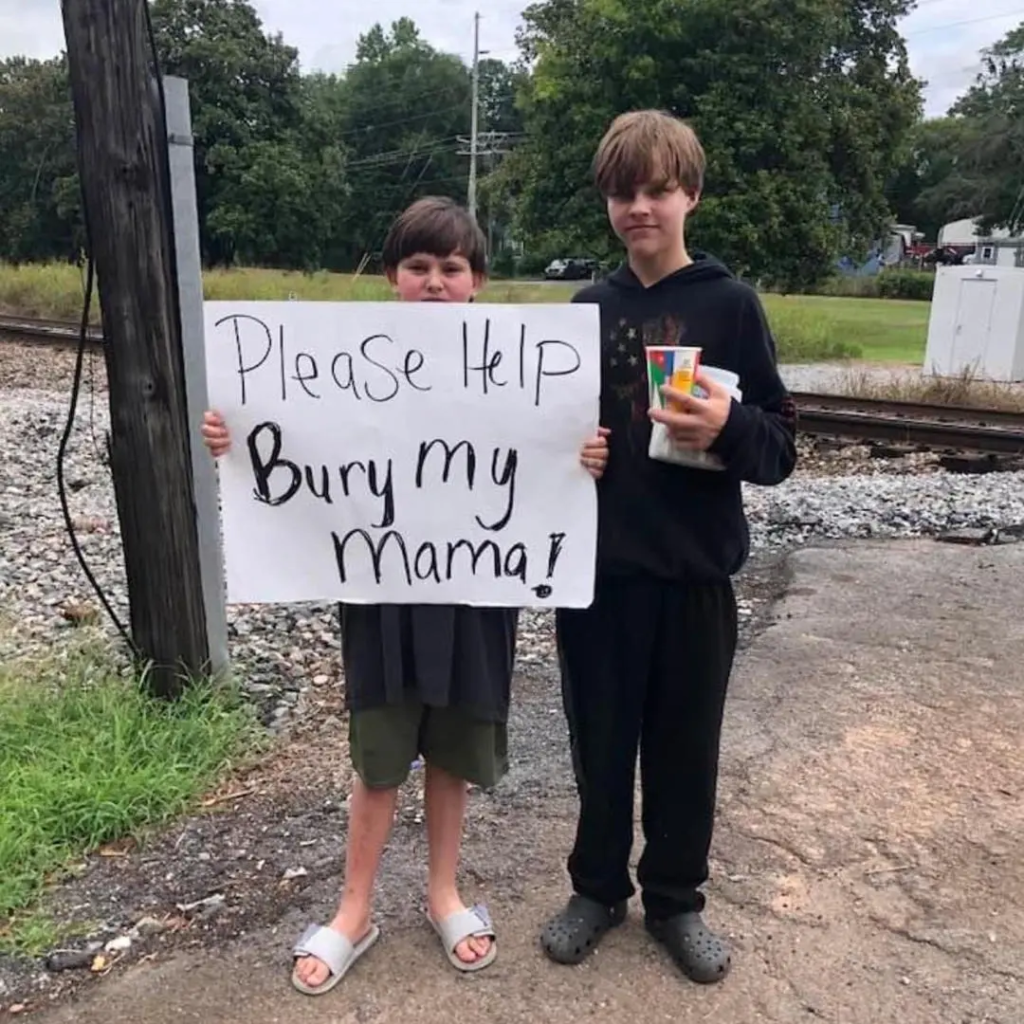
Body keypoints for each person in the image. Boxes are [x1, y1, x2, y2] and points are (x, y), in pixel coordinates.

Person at [201, 196, 610, 995]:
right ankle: (354, 908)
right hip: (383, 593)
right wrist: (237, 439)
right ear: (393, 276)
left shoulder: (518, 364)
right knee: (380, 755)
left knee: (453, 754)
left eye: (450, 268)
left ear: (477, 281)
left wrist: (580, 457)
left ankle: (443, 892)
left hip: (475, 590)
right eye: (418, 267)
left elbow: (549, 457)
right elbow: (300, 439)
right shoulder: (349, 356)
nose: (433, 282)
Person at [540, 111, 798, 983]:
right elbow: (545, 442)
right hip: (598, 576)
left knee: (687, 749)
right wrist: (570, 456)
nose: (638, 207)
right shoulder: (585, 312)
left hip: (694, 577)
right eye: (622, 191)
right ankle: (597, 887)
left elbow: (781, 448)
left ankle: (677, 901)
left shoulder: (730, 305)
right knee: (599, 740)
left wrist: (729, 424)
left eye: (656, 189)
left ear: (690, 193)